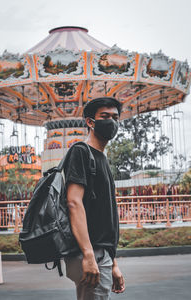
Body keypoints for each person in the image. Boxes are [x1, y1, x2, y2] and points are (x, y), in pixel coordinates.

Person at [64, 97, 125, 300]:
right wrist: (89, 255)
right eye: (105, 116)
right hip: (91, 253)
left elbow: (104, 217)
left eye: (115, 117)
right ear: (90, 122)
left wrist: (113, 263)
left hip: (102, 254)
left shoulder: (102, 159)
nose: (111, 122)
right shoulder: (80, 152)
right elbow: (74, 202)